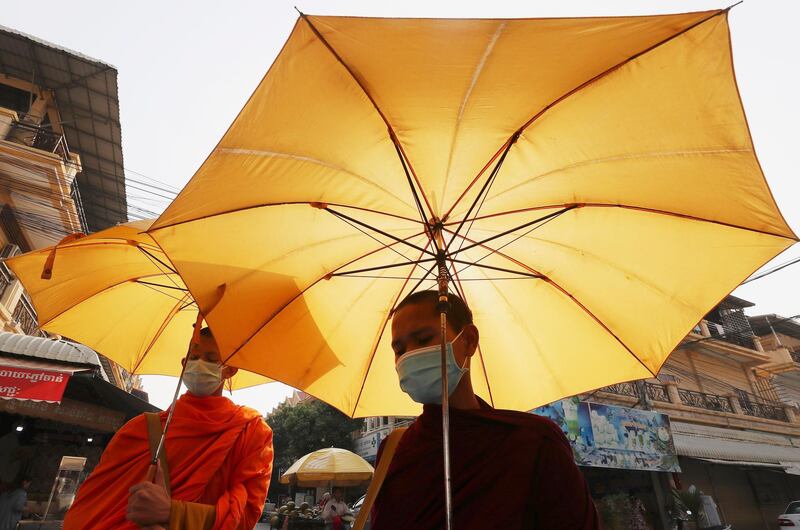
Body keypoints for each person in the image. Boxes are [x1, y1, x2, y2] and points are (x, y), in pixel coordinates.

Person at [371, 290, 600, 529]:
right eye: (398, 349)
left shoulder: (533, 442)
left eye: (424, 339)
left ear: (469, 341)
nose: (409, 355)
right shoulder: (393, 451)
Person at [63, 327, 274, 530]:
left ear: (230, 369)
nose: (199, 365)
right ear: (183, 364)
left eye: (211, 359)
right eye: (193, 358)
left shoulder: (251, 431)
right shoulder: (138, 429)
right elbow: (92, 507)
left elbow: (245, 516)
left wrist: (173, 513)